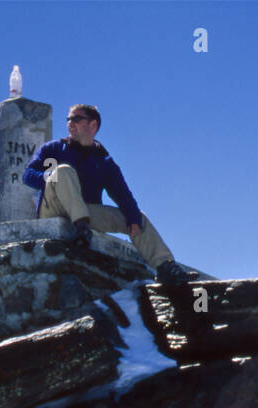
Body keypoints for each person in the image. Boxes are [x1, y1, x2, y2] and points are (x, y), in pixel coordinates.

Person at [23, 104, 199, 285]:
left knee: (138, 218)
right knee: (64, 171)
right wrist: (50, 176)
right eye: (68, 119)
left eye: (76, 119)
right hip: (54, 208)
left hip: (85, 212)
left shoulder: (103, 160)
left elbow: (122, 193)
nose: (70, 124)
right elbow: (28, 176)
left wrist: (132, 218)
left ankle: (165, 267)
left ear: (93, 125)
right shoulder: (54, 149)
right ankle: (82, 230)